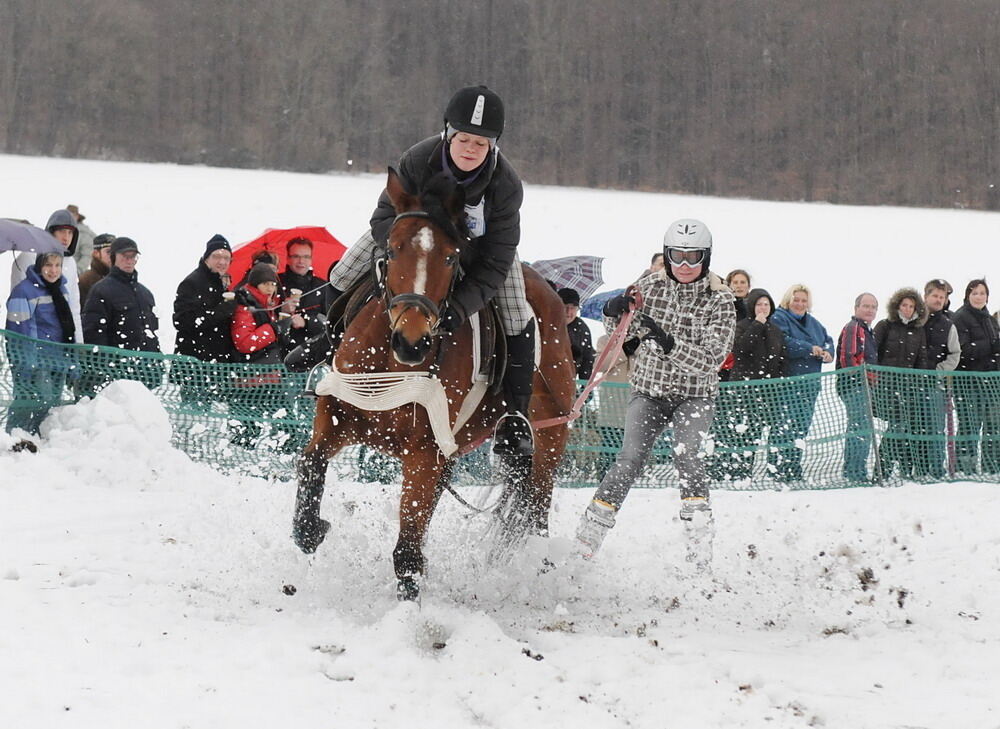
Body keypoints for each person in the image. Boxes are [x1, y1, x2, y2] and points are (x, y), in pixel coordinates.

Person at [325, 85, 536, 456]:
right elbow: (382, 218)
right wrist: (406, 247)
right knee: (342, 274)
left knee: (518, 314)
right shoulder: (418, 159)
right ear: (448, 135)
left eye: (481, 144)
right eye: (464, 139)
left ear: (493, 147)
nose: (470, 149)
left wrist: (459, 307)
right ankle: (323, 351)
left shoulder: (505, 185)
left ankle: (514, 415)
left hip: (478, 254)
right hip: (411, 241)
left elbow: (497, 260)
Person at [575, 219, 735, 560]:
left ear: (706, 258)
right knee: (630, 458)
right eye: (677, 256)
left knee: (687, 455)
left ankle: (698, 541)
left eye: (694, 257)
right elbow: (621, 331)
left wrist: (667, 341)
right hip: (649, 391)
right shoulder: (649, 285)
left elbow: (710, 359)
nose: (685, 265)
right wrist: (611, 312)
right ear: (667, 254)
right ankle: (589, 533)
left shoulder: (719, 299)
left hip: (694, 394)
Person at [708, 287, 786, 482]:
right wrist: (757, 325)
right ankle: (728, 469)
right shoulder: (742, 325)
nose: (763, 308)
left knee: (754, 431)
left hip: (766, 390)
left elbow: (779, 358)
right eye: (759, 304)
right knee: (735, 431)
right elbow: (741, 348)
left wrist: (780, 381)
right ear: (752, 306)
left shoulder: (776, 330)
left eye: (766, 304)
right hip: (742, 387)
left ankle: (745, 471)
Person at [4, 253, 76, 437]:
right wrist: (26, 363)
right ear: (39, 266)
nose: (53, 270)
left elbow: (68, 327)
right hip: (36, 360)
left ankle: (40, 440)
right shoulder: (24, 292)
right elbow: (18, 332)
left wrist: (72, 359)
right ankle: (16, 436)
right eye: (48, 265)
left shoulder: (62, 290)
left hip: (58, 359)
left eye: (58, 265)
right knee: (32, 401)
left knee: (51, 405)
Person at [769, 284, 834, 481]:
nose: (799, 304)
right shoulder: (779, 318)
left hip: (810, 385)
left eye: (803, 301)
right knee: (783, 427)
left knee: (801, 428)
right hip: (788, 382)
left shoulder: (814, 323)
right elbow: (783, 342)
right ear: (788, 300)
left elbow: (828, 340)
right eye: (796, 300)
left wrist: (829, 352)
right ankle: (778, 470)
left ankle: (794, 468)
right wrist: (808, 348)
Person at [229, 263, 296, 447]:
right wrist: (274, 330)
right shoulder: (245, 306)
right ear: (255, 284)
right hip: (251, 381)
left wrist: (283, 328)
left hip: (267, 377)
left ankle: (277, 461)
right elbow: (244, 343)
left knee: (285, 427)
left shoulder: (265, 305)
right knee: (254, 429)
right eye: (265, 283)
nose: (270, 288)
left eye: (273, 284)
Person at [82, 237, 162, 389]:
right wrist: (102, 369)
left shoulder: (145, 294)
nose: (129, 260)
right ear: (114, 257)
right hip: (115, 376)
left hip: (143, 374)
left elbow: (151, 332)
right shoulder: (101, 290)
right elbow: (93, 334)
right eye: (125, 256)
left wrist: (155, 365)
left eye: (133, 256)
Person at [872, 288, 930, 478]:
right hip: (887, 386)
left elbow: (921, 360)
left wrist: (920, 384)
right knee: (896, 426)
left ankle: (904, 468)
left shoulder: (918, 330)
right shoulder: (885, 326)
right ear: (897, 306)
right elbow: (873, 354)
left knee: (908, 427)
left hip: (910, 388)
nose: (907, 309)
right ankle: (882, 469)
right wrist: (877, 381)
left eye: (911, 306)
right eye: (904, 305)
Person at [11, 209, 84, 344]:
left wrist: (79, 344)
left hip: (63, 342)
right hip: (36, 341)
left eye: (70, 232)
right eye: (62, 231)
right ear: (51, 232)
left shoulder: (71, 262)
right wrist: (23, 353)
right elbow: (18, 303)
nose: (66, 237)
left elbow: (74, 306)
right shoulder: (28, 257)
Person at [952, 279, 1000, 474]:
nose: (979, 297)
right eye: (975, 293)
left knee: (993, 424)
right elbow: (962, 350)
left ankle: (992, 465)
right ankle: (965, 467)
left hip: (992, 381)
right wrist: (990, 346)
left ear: (987, 296)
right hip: (968, 381)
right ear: (967, 296)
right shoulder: (960, 317)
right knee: (969, 424)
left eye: (982, 293)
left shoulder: (990, 319)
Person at [917, 279, 961, 478]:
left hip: (935, 384)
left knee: (936, 427)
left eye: (942, 297)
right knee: (915, 425)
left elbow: (955, 353)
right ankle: (917, 467)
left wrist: (939, 370)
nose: (938, 300)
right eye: (934, 295)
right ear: (926, 296)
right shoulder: (915, 319)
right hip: (910, 382)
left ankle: (936, 468)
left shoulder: (948, 325)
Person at [173, 234, 238, 364]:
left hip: (217, 364)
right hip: (193, 365)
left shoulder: (223, 285)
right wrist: (219, 312)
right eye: (217, 257)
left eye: (226, 258)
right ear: (206, 258)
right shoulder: (192, 283)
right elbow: (181, 321)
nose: (222, 262)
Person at [835, 292, 879, 483]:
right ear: (856, 308)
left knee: (863, 427)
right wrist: (860, 377)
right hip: (854, 385)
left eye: (873, 307)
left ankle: (855, 469)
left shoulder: (868, 330)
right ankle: (854, 472)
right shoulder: (854, 328)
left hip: (865, 385)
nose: (869, 310)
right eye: (866, 306)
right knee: (860, 427)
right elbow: (848, 358)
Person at [277, 237, 333, 356]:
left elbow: (331, 324)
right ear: (287, 258)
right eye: (296, 256)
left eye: (306, 257)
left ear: (311, 259)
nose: (301, 261)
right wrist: (281, 310)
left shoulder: (322, 287)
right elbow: (263, 317)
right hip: (279, 354)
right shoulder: (276, 283)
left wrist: (307, 322)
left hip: (311, 354)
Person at [558, 287, 595, 380]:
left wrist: (585, 389)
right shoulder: (546, 324)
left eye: (573, 308)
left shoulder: (582, 329)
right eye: (565, 306)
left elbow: (587, 360)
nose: (569, 312)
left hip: (569, 381)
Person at [78, 233, 115, 306]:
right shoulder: (86, 281)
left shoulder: (119, 278)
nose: (112, 256)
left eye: (115, 252)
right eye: (108, 252)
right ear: (96, 253)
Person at [67, 204, 96, 269]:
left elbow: (87, 256)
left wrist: (76, 272)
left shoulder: (84, 234)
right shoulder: (61, 232)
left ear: (77, 216)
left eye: (71, 215)